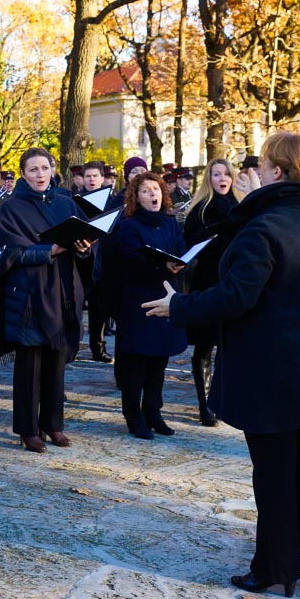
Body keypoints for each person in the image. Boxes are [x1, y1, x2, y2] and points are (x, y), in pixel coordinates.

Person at [144, 130, 300, 598]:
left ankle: (276, 567)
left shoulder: (266, 226)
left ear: (274, 171)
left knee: (275, 469)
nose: (252, 172)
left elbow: (238, 296)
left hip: (274, 364)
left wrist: (179, 307)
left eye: (259, 164)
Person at [0, 147, 89, 453]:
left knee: (56, 363)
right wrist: (48, 251)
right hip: (29, 295)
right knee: (29, 367)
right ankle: (27, 429)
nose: (39, 174)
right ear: (22, 174)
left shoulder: (65, 202)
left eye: (44, 168)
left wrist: (85, 247)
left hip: (61, 291)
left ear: (52, 170)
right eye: (32, 169)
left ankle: (53, 423)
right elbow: (6, 253)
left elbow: (86, 238)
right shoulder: (9, 207)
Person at [110, 172, 188, 439]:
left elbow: (180, 248)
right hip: (139, 301)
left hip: (165, 297)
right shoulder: (129, 226)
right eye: (146, 191)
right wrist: (160, 264)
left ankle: (154, 411)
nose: (152, 195)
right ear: (136, 197)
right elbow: (130, 259)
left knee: (159, 362)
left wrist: (179, 262)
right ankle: (134, 416)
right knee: (136, 365)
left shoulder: (170, 223)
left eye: (155, 190)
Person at [181, 158, 242, 426]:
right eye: (216, 174)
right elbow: (189, 243)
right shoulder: (200, 210)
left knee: (230, 345)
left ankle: (224, 399)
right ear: (209, 179)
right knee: (205, 345)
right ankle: (205, 404)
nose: (222, 178)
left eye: (226, 173)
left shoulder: (242, 208)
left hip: (234, 281)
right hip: (207, 282)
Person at [78, 161, 112, 362]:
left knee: (99, 310)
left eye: (95, 176)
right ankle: (72, 346)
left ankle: (98, 348)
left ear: (102, 179)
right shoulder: (75, 201)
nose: (91, 180)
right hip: (82, 261)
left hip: (103, 261)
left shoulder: (110, 201)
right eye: (88, 176)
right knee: (75, 309)